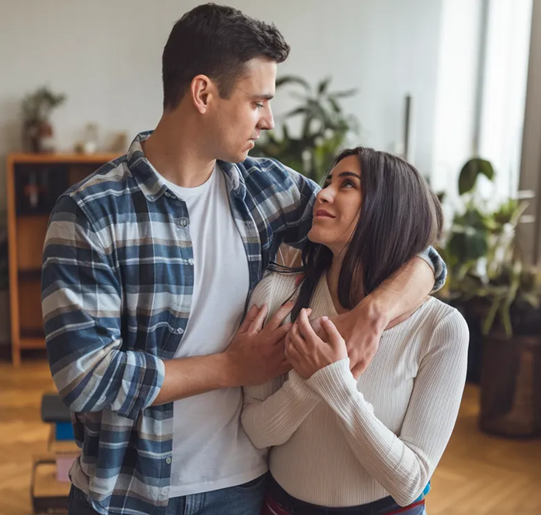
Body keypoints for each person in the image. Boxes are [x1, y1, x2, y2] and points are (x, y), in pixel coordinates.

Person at [41, 5, 447, 515]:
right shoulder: (91, 213)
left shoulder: (271, 191)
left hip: (245, 487)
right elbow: (87, 377)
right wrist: (231, 367)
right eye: (258, 101)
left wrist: (376, 311)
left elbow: (409, 244)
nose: (269, 120)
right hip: (127, 491)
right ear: (204, 93)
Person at [241, 148, 469, 515]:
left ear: (389, 208)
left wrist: (334, 382)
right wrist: (308, 384)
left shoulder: (441, 328)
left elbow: (409, 481)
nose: (323, 193)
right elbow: (255, 432)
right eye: (328, 181)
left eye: (347, 184)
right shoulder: (279, 297)